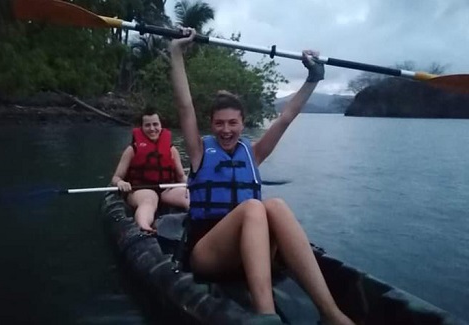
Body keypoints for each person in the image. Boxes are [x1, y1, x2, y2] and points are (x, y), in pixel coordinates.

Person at [169, 29, 355, 325]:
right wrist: (176, 52)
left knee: (276, 205)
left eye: (233, 123)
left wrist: (313, 79)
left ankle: (331, 313)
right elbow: (184, 106)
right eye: (219, 123)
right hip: (207, 253)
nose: (226, 130)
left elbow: (286, 117)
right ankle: (266, 315)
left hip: (250, 254)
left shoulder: (253, 154)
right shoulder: (199, 152)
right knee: (256, 207)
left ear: (243, 123)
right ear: (211, 124)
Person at [111, 108, 189, 233]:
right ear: (141, 127)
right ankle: (144, 227)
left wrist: (190, 183)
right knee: (149, 200)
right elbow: (116, 178)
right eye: (147, 125)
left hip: (166, 189)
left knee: (187, 196)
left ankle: (201, 221)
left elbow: (180, 176)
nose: (152, 129)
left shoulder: (171, 149)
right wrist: (120, 183)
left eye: (155, 124)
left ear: (161, 125)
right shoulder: (132, 149)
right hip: (141, 189)